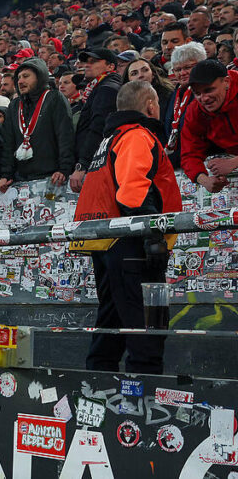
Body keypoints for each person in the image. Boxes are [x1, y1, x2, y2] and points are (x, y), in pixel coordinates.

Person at [70, 81, 182, 374]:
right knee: (148, 322)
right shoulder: (136, 136)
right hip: (133, 241)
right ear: (151, 106)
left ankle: (98, 382)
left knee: (113, 320)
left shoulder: (110, 139)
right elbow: (133, 192)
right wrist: (153, 236)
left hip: (107, 241)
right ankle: (145, 387)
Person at [0, 58, 76, 192]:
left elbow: (65, 136)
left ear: (40, 77)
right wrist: (6, 174)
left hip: (52, 177)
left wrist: (64, 169)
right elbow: (8, 143)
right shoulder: (14, 105)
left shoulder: (54, 98)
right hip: (20, 180)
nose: (20, 81)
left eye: (26, 76)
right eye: (19, 78)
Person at [180, 59, 238, 192]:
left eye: (209, 90)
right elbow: (189, 154)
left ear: (226, 82)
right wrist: (204, 180)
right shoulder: (195, 111)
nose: (204, 98)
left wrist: (234, 162)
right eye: (197, 93)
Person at [72, 48, 123, 192]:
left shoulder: (107, 88)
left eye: (94, 61)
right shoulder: (99, 87)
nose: (87, 65)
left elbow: (98, 128)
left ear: (110, 66)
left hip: (98, 164)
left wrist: (83, 164)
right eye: (86, 62)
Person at [164, 43, 207, 168]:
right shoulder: (174, 94)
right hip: (179, 162)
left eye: (188, 67)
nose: (182, 73)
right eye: (177, 69)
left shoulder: (207, 92)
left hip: (203, 160)